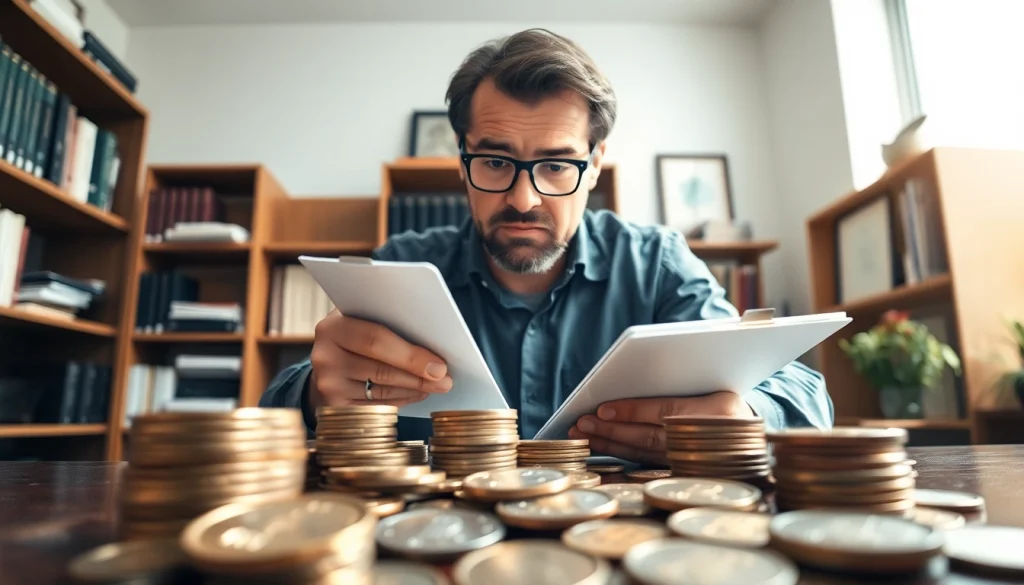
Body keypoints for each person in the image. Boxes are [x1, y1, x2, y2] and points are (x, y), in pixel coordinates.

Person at [260, 28, 833, 465]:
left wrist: (751, 413)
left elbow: (803, 394)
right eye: (495, 161)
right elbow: (274, 416)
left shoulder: (658, 265)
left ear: (594, 166)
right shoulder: (398, 268)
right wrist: (314, 395)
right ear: (462, 161)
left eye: (556, 165)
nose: (524, 198)